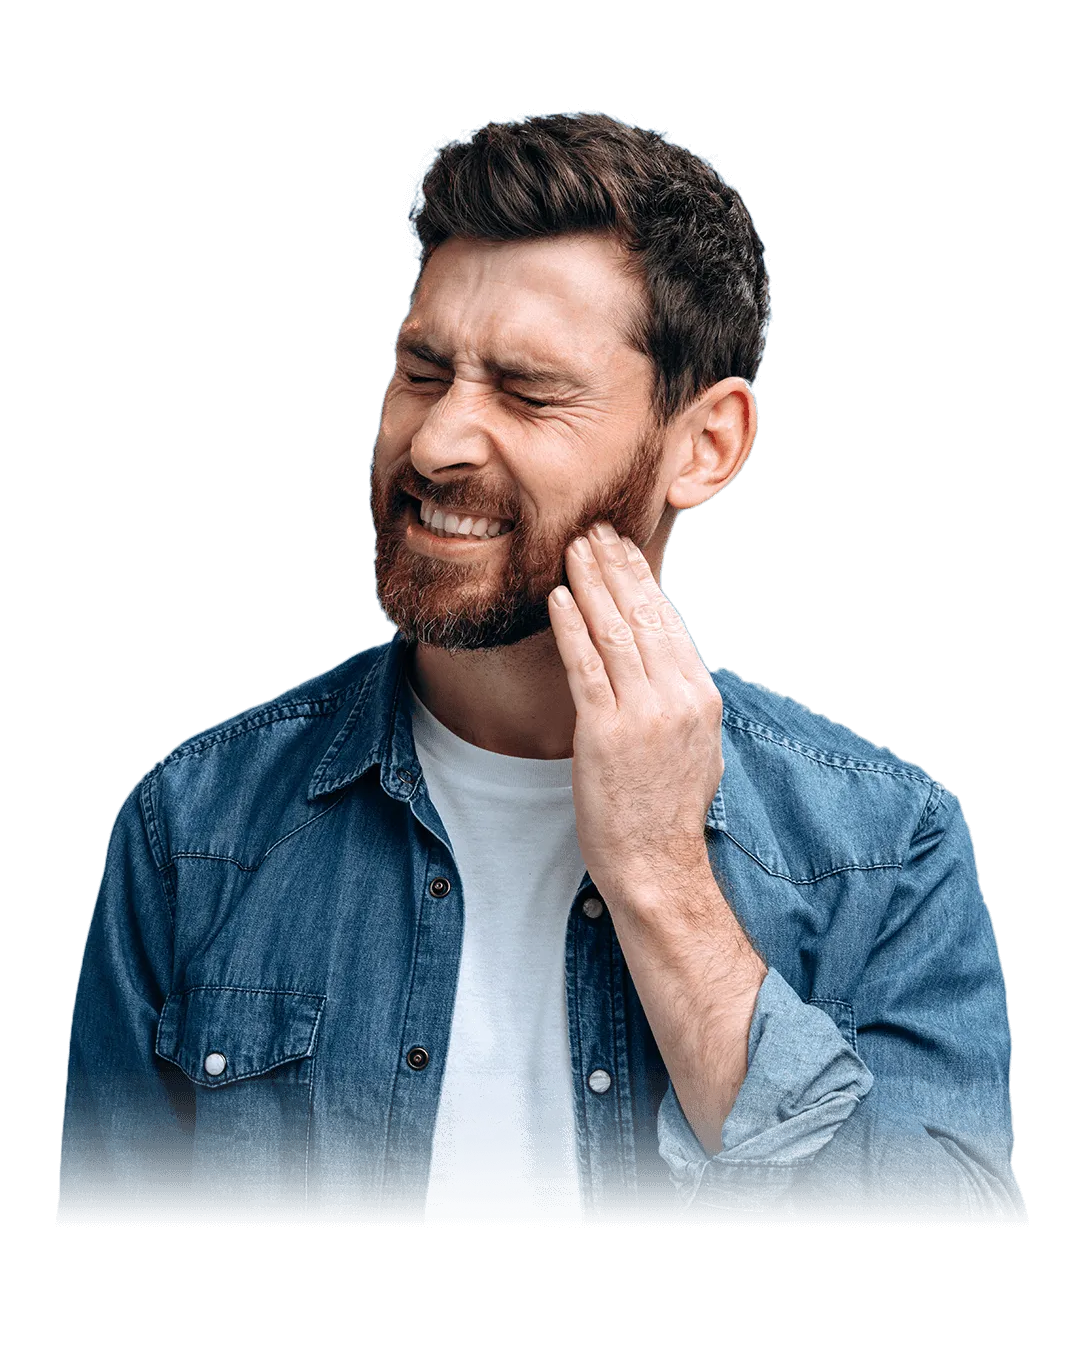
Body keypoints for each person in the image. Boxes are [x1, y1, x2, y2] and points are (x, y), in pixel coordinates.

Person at [57, 111, 1025, 1230]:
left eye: (527, 392)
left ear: (705, 445)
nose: (435, 444)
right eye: (423, 371)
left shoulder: (881, 848)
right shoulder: (195, 825)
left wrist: (662, 879)